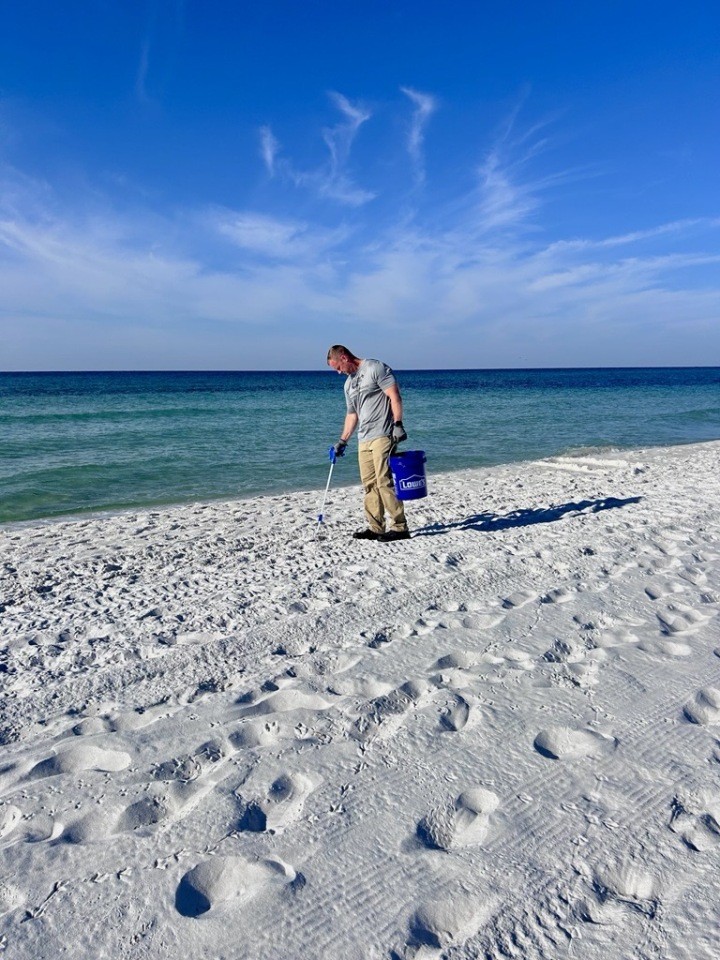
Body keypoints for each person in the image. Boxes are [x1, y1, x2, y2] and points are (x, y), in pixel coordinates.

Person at [327, 345, 411, 542]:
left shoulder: (375, 368)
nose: (339, 372)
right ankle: (376, 527)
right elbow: (352, 414)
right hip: (363, 439)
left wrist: (398, 424)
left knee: (384, 481)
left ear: (344, 357)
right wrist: (342, 441)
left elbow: (394, 395)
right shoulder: (348, 385)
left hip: (383, 433)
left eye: (338, 367)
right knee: (369, 485)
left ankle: (400, 527)